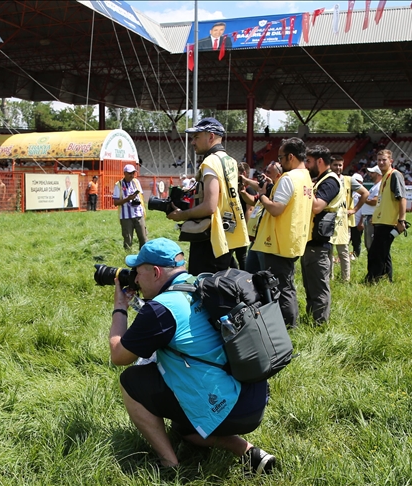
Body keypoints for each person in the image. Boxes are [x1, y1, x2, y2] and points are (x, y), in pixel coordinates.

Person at [109, 238, 275, 474]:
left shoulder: (161, 309)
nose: (135, 279)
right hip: (254, 397)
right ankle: (249, 452)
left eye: (137, 272)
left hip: (226, 405)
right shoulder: (203, 282)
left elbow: (118, 355)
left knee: (131, 381)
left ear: (155, 272)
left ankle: (169, 465)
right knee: (183, 427)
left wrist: (120, 306)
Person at [168, 117, 248, 275]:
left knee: (204, 285)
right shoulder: (230, 160)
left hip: (211, 236)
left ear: (211, 136)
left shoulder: (210, 162)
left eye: (197, 137)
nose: (192, 142)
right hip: (229, 231)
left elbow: (210, 206)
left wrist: (181, 215)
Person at [251, 138, 313, 328]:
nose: (279, 161)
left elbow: (276, 209)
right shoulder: (305, 177)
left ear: (291, 157)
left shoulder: (289, 178)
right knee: (287, 284)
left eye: (280, 157)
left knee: (281, 288)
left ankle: (287, 327)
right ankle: (288, 325)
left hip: (278, 241)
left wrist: (262, 195)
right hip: (292, 239)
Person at [300, 146, 342, 325]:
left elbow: (317, 206)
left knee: (319, 286)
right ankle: (312, 318)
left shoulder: (330, 181)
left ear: (319, 161)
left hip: (320, 244)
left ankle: (320, 324)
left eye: (308, 161)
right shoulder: (321, 180)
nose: (307, 165)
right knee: (310, 285)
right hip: (311, 242)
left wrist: (305, 188)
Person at [366, 150, 407, 283]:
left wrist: (402, 220)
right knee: (384, 252)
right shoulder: (385, 177)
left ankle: (373, 279)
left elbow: (402, 198)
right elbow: (382, 202)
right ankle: (387, 278)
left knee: (376, 253)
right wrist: (375, 217)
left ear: (391, 161)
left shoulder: (395, 175)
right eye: (379, 160)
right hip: (381, 220)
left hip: (389, 222)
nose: (381, 162)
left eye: (384, 160)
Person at [240, 161, 283, 273]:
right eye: (265, 171)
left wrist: (246, 180)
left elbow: (269, 188)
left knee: (265, 275)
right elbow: (253, 200)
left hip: (267, 241)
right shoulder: (264, 191)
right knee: (250, 273)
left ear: (278, 175)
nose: (265, 175)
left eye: (268, 172)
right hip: (257, 239)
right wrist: (243, 192)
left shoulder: (277, 190)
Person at [329, 157, 368, 281]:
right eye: (335, 165)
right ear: (330, 165)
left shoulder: (349, 180)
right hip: (328, 219)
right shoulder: (326, 179)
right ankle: (330, 277)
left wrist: (355, 209)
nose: (338, 167)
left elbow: (365, 193)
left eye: (340, 165)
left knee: (343, 251)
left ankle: (346, 279)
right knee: (328, 252)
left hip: (344, 222)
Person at [112, 164, 147, 250]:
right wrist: (127, 199)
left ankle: (143, 257)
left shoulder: (136, 182)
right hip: (126, 217)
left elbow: (141, 195)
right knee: (128, 240)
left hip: (138, 214)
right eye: (130, 173)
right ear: (124, 173)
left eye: (133, 173)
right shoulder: (118, 185)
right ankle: (127, 258)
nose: (132, 175)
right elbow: (115, 202)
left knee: (144, 238)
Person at [358, 166, 383, 252]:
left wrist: (363, 199)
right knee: (369, 244)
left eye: (372, 173)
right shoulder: (375, 186)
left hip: (371, 217)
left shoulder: (379, 186)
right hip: (369, 216)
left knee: (371, 244)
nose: (370, 174)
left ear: (379, 174)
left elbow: (374, 201)